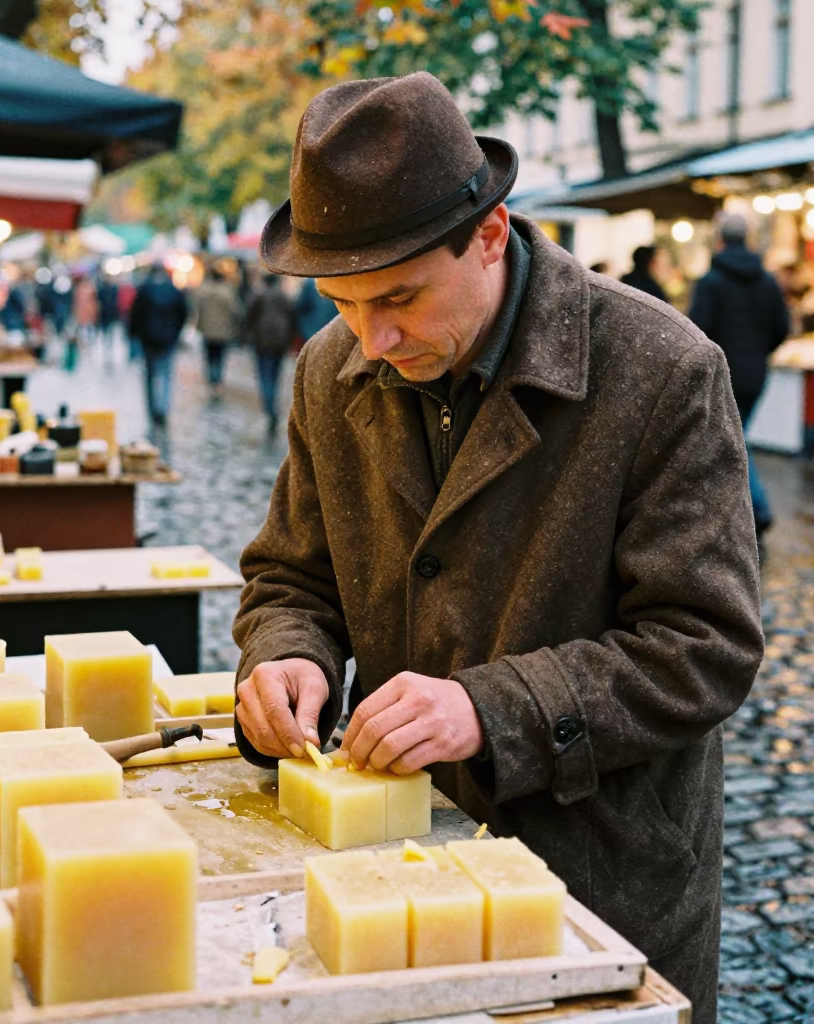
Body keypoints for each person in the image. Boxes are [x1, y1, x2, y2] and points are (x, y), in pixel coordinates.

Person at [231, 72, 762, 1024]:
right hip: (394, 871)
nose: (374, 337)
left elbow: (704, 648)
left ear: (489, 233)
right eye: (344, 303)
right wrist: (285, 654)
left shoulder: (666, 370)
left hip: (599, 881)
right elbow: (289, 575)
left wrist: (491, 708)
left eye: (398, 297)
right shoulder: (328, 366)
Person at [689, 212, 789, 536]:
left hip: (723, 370)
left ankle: (756, 508)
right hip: (757, 372)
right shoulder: (768, 280)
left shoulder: (711, 281)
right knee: (735, 436)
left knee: (734, 439)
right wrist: (760, 352)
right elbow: (782, 327)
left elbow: (695, 331)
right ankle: (730, 510)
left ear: (720, 239)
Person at [128, 261, 188, 428]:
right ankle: (162, 407)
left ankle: (153, 407)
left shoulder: (144, 289)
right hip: (168, 339)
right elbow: (183, 313)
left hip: (148, 339)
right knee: (166, 374)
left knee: (150, 374)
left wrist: (133, 334)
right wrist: (176, 332)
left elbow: (135, 314)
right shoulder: (173, 290)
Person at [243, 274, 297, 438]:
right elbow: (293, 319)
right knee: (275, 374)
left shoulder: (258, 297)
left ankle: (269, 407)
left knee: (265, 374)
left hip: (262, 341)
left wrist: (246, 336)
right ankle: (272, 404)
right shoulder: (285, 297)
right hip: (280, 342)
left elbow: (249, 318)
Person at [194, 266, 243, 400]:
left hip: (207, 331)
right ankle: (217, 383)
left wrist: (199, 326)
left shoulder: (203, 291)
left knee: (210, 358)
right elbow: (236, 311)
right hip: (223, 332)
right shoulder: (227, 292)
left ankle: (212, 381)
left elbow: (198, 310)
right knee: (220, 358)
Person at [295, 276, 336, 344]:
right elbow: (301, 308)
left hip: (314, 333)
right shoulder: (311, 282)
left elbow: (300, 308)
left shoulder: (311, 282)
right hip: (317, 333)